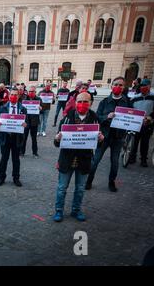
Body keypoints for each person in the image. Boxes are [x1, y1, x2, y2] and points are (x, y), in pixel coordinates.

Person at [53, 92, 104, 222]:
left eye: (85, 102)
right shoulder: (66, 118)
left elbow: (98, 143)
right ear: (75, 103)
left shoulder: (95, 119)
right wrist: (57, 138)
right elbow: (57, 143)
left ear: (91, 103)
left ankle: (76, 210)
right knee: (62, 188)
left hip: (84, 159)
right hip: (67, 159)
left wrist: (101, 139)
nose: (82, 104)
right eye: (79, 101)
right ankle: (59, 211)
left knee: (80, 189)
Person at [85, 77, 131, 192]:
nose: (118, 87)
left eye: (121, 85)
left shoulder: (128, 102)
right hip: (104, 136)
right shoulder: (104, 102)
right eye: (116, 84)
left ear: (124, 87)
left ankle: (111, 182)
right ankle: (89, 181)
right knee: (95, 160)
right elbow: (97, 117)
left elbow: (132, 118)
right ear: (112, 86)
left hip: (118, 137)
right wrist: (107, 117)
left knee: (115, 162)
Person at [0, 88, 27, 187]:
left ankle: (16, 178)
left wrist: (26, 125)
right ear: (9, 96)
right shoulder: (2, 108)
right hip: (5, 137)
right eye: (12, 94)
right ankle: (1, 177)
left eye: (15, 95)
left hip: (17, 138)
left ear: (18, 96)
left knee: (16, 159)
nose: (13, 96)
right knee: (4, 159)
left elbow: (27, 123)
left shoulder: (23, 109)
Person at [130, 79, 154, 167]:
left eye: (145, 85)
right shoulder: (135, 98)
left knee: (145, 142)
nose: (143, 87)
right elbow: (131, 109)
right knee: (134, 141)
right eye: (142, 86)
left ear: (149, 86)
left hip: (148, 123)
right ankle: (132, 157)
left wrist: (151, 117)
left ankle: (143, 159)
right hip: (136, 122)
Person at [21, 86, 41, 158]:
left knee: (34, 139)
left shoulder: (38, 99)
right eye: (29, 91)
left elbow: (42, 110)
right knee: (24, 138)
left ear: (35, 92)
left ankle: (35, 153)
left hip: (34, 122)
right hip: (26, 122)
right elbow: (21, 109)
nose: (30, 93)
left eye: (32, 91)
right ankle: (22, 152)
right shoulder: (24, 99)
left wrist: (40, 108)